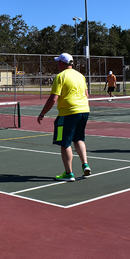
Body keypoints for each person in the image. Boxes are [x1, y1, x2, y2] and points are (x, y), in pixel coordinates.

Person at [37, 53, 91, 182]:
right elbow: (86, 95)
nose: (57, 65)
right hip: (84, 111)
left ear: (61, 63)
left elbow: (53, 99)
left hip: (68, 113)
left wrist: (42, 113)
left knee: (65, 143)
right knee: (79, 139)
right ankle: (85, 165)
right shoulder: (80, 76)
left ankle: (68, 173)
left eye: (58, 62)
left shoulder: (60, 76)